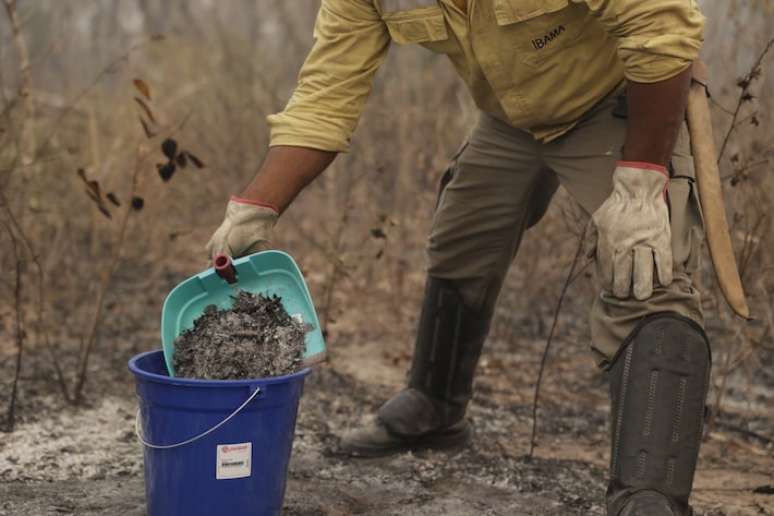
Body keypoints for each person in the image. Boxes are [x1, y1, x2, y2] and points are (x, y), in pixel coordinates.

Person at [206, 2, 710, 514]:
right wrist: (256, 207)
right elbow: (324, 99)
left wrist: (644, 177)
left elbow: (662, 29)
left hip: (622, 103)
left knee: (645, 270)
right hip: (511, 118)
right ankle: (436, 405)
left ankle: (650, 494)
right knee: (462, 236)